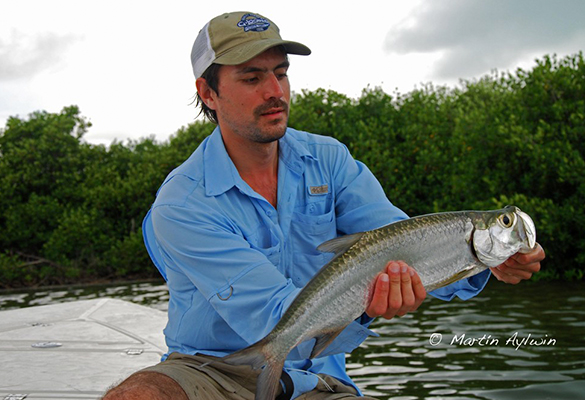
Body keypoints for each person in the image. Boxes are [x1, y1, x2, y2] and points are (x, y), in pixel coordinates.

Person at [103, 11, 545, 400]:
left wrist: (488, 262)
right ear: (208, 92)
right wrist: (367, 303)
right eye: (252, 78)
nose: (275, 91)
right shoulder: (182, 204)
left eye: (281, 72)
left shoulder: (330, 160)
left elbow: (407, 243)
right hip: (212, 370)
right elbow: (272, 319)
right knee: (135, 397)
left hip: (319, 376)